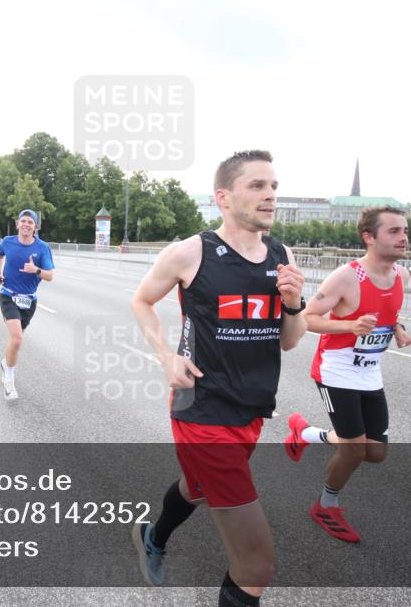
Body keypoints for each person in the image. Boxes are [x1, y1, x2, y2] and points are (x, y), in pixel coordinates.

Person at [130, 150, 306, 605]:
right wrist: (166, 356)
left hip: (251, 407)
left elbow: (289, 340)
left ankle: (153, 534)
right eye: (257, 186)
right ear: (223, 197)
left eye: (273, 187)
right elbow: (142, 301)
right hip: (202, 409)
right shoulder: (191, 253)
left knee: (197, 488)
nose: (270, 196)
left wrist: (292, 304)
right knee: (257, 564)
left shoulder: (282, 254)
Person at [284, 206, 411, 544]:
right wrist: (349, 326)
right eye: (394, 231)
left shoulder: (403, 275)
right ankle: (326, 506)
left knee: (375, 453)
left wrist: (398, 328)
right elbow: (307, 318)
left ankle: (305, 434)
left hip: (370, 374)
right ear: (369, 237)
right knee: (354, 451)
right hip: (335, 370)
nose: (404, 238)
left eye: (405, 231)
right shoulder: (346, 277)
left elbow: (390, 314)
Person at [0, 209, 55, 400]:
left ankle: (6, 363)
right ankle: (9, 380)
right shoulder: (8, 242)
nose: (26, 225)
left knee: (15, 341)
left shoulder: (43, 248)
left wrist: (36, 270)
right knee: (17, 338)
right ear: (18, 224)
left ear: (35, 227)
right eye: (23, 221)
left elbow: (50, 276)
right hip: (8, 295)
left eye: (30, 222)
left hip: (29, 300)